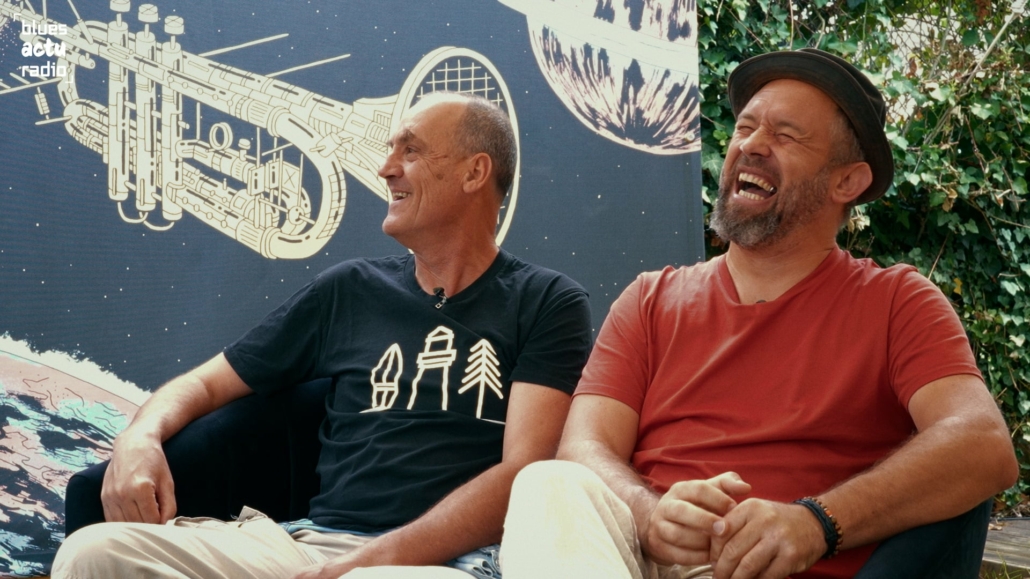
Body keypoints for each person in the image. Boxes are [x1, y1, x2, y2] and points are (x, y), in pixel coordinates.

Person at [499, 48, 1018, 579]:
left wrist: (816, 522)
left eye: (786, 135)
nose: (750, 145)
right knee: (547, 482)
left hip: (777, 568)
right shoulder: (649, 299)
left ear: (847, 182)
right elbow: (582, 448)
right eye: (744, 128)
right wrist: (649, 515)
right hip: (631, 562)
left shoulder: (897, 302)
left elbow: (982, 444)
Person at [53, 92, 593, 579]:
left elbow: (524, 473)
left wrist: (370, 562)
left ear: (475, 172)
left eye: (410, 151)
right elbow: (205, 385)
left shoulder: (548, 301)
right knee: (91, 554)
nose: (385, 169)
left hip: (450, 561)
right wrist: (139, 438)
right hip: (313, 547)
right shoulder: (350, 288)